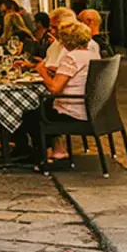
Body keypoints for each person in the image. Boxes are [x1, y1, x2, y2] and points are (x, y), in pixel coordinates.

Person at [34, 19, 102, 160]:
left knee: (32, 114)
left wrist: (42, 72)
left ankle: (43, 156)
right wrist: (57, 71)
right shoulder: (91, 54)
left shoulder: (71, 57)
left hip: (72, 111)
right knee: (44, 108)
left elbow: (54, 88)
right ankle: (58, 149)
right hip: (89, 109)